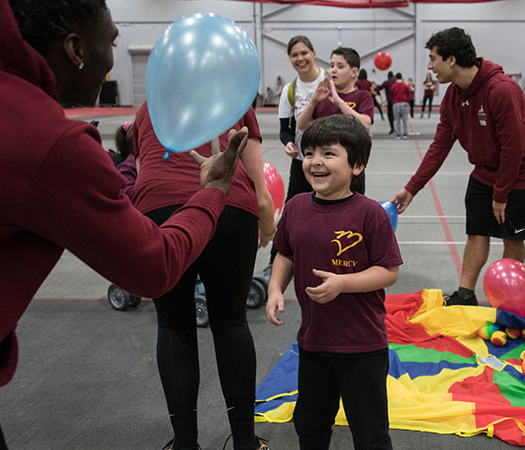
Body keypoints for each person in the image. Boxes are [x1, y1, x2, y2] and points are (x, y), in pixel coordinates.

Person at [0, 1, 245, 448]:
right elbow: (153, 267)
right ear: (75, 49)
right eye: (110, 42)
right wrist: (214, 190)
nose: (111, 59)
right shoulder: (48, 141)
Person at [131, 102, 274, 450]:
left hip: (159, 208)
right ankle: (245, 442)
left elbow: (142, 170)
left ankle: (185, 443)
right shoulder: (234, 97)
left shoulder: (150, 105)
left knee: (173, 325)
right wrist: (266, 224)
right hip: (229, 203)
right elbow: (259, 185)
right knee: (231, 322)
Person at [266, 115, 402, 450]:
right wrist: (274, 289)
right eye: (309, 153)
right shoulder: (296, 207)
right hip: (314, 343)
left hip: (362, 347)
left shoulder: (370, 214)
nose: (315, 161)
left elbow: (388, 271)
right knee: (310, 427)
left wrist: (344, 283)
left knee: (370, 434)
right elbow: (285, 254)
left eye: (328, 153)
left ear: (357, 165)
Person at [392, 27, 525, 306]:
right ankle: (465, 294)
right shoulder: (453, 96)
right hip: (484, 172)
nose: (430, 66)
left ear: (451, 60)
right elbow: (440, 146)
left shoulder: (501, 90)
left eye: (433, 58)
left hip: (520, 174)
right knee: (476, 231)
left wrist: (501, 194)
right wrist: (412, 188)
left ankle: (509, 300)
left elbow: (514, 148)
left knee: (511, 237)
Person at [269, 35, 327, 274]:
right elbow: (285, 130)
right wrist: (288, 144)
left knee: (332, 211)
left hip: (333, 163)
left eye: (304, 53)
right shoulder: (290, 90)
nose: (300, 58)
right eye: (294, 55)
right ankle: (274, 263)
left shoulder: (329, 80)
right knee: (291, 212)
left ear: (313, 54)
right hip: (303, 162)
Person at [297, 46, 374, 193]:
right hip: (324, 167)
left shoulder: (362, 96)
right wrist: (314, 101)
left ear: (354, 72)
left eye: (340, 66)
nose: (333, 70)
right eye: (332, 65)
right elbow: (301, 125)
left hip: (349, 168)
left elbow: (365, 124)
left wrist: (339, 101)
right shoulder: (322, 97)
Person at [389, 73, 411, 139]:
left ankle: (398, 135)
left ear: (396, 78)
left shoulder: (393, 86)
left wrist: (393, 101)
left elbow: (391, 95)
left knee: (396, 120)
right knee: (405, 120)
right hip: (404, 103)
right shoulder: (405, 86)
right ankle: (405, 134)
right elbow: (408, 95)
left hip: (396, 104)